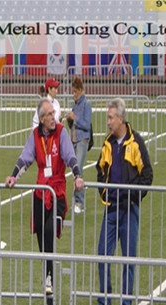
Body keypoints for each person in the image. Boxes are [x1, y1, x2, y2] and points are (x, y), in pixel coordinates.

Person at [5, 98, 84, 305]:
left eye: (54, 114)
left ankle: (52, 302)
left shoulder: (61, 133)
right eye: (49, 114)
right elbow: (25, 158)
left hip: (56, 193)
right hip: (40, 194)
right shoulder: (35, 136)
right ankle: (50, 304)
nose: (53, 117)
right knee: (43, 251)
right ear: (41, 119)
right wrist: (13, 176)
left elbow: (70, 156)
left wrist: (78, 175)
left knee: (49, 237)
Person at [90, 97, 153, 305]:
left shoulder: (136, 143)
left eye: (110, 118)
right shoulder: (107, 143)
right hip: (111, 210)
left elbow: (147, 175)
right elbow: (100, 169)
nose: (107, 122)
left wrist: (132, 197)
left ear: (121, 118)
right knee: (102, 256)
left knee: (128, 259)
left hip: (129, 210)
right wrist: (104, 193)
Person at [65, 76, 92, 214]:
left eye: (76, 91)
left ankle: (80, 203)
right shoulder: (74, 104)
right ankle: (76, 200)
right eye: (73, 92)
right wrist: (69, 119)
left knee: (79, 170)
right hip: (74, 140)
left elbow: (86, 125)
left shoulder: (86, 104)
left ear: (81, 90)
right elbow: (72, 125)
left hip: (83, 140)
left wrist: (75, 118)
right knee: (75, 170)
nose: (74, 94)